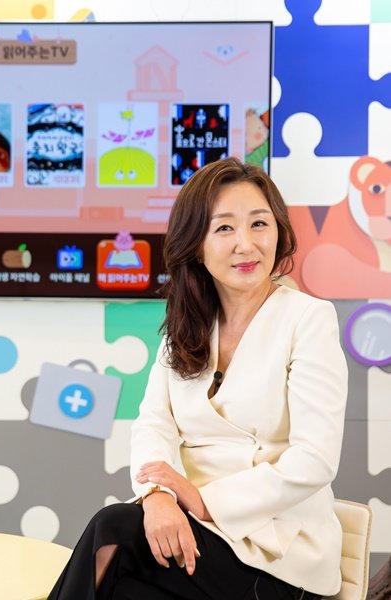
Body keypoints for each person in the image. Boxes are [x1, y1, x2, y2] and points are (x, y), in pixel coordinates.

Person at [48, 157, 348, 600]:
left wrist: (204, 501)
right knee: (124, 588)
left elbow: (315, 460)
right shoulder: (186, 325)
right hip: (193, 532)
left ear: (279, 232)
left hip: (278, 551)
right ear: (196, 245)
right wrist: (157, 496)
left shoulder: (308, 318)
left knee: (113, 531)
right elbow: (153, 425)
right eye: (224, 228)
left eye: (259, 224)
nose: (246, 244)